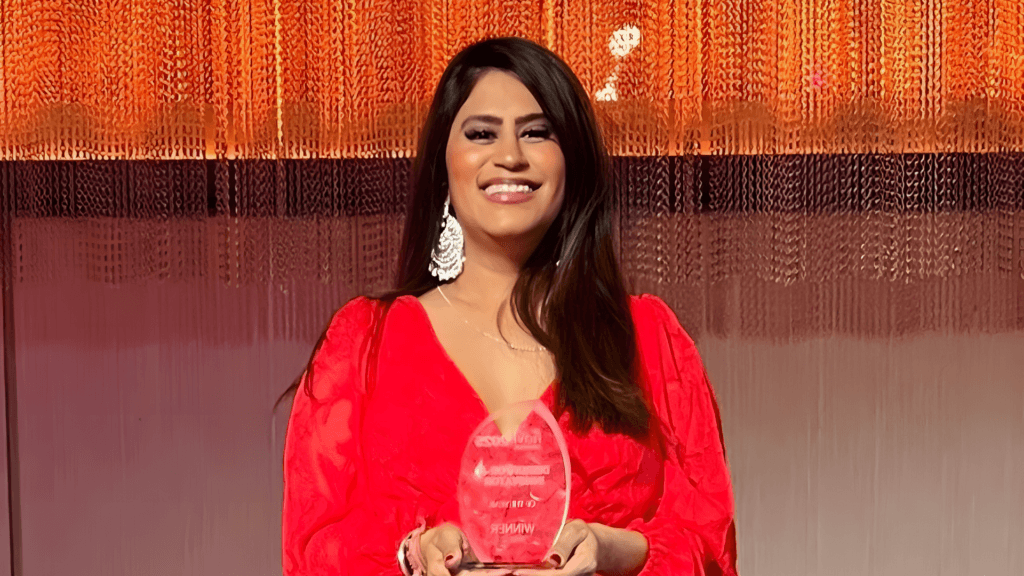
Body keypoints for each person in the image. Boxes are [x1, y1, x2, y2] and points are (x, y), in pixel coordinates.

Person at [280, 37, 738, 576]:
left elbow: (709, 544)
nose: (511, 156)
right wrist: (412, 554)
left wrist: (614, 549)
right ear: (443, 165)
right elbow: (313, 551)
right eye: (481, 134)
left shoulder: (647, 338)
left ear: (572, 163)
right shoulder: (364, 343)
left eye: (536, 132)